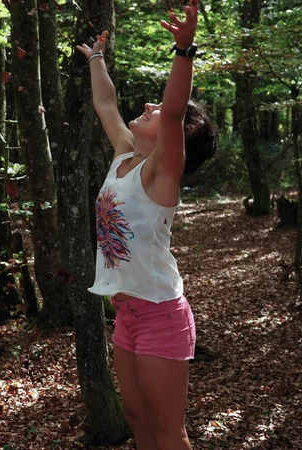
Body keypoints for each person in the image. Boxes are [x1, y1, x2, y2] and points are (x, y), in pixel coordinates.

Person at [77, 1, 217, 449]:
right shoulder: (124, 155)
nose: (150, 106)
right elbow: (105, 102)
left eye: (156, 110)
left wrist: (184, 50)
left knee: (167, 430)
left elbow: (174, 112)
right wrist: (96, 58)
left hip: (161, 314)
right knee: (136, 417)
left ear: (178, 138)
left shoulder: (161, 174)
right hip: (127, 312)